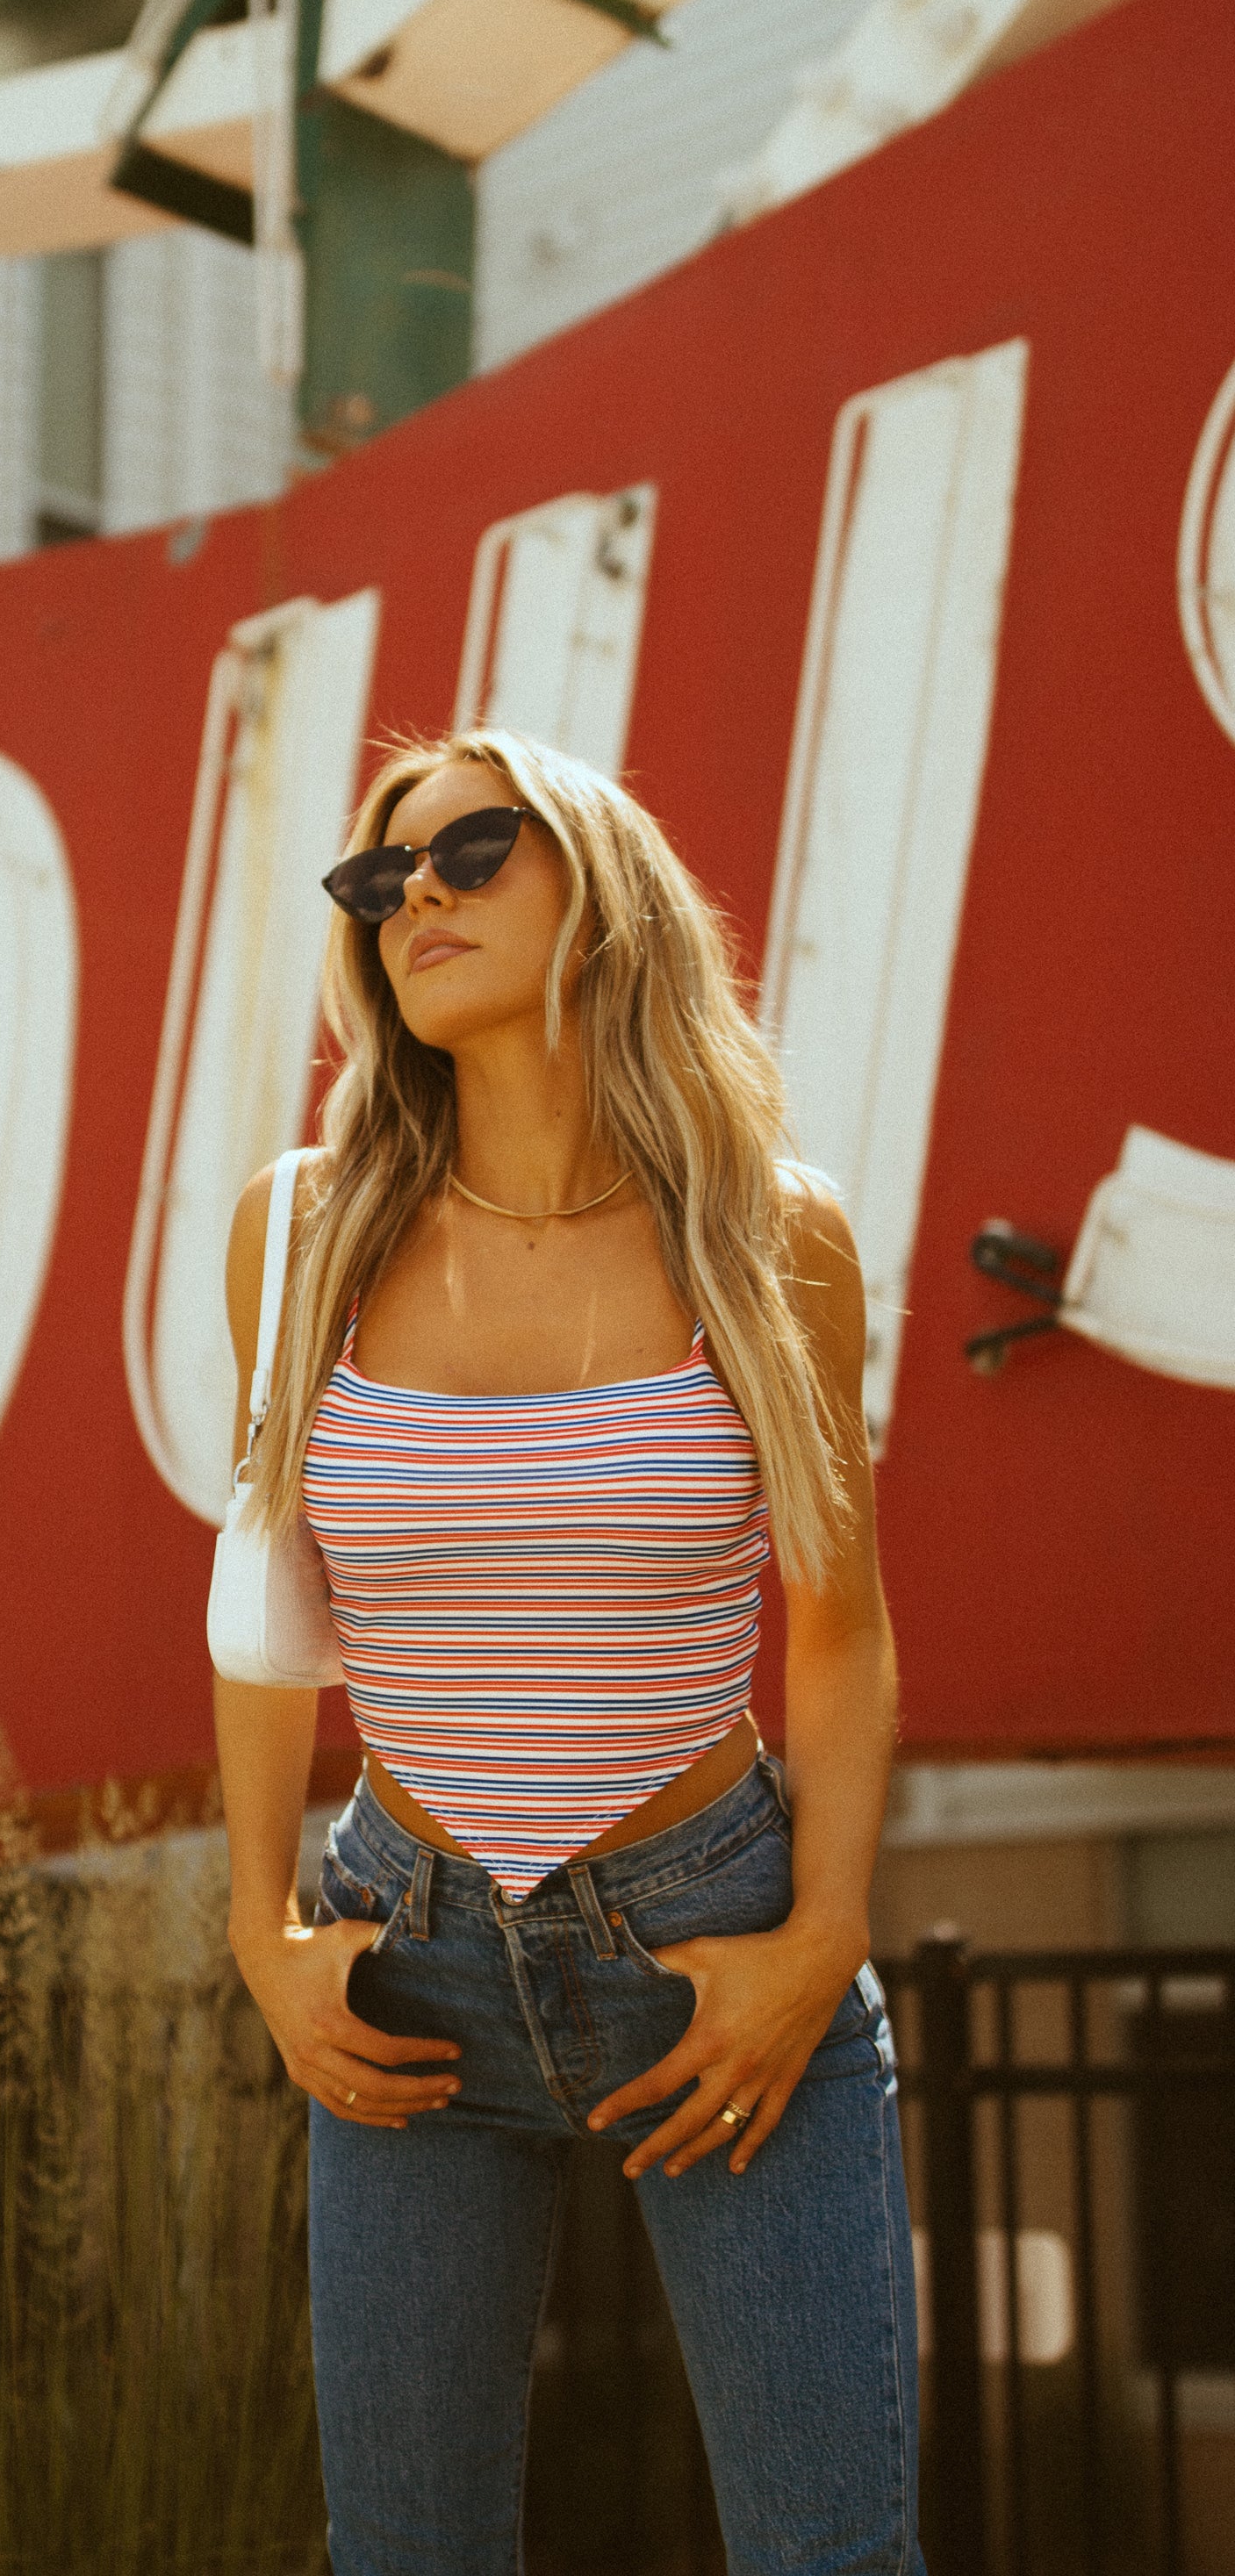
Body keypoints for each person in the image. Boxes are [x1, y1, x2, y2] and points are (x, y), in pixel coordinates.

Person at [215, 728, 920, 2576]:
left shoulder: (774, 1233)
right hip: (410, 1958)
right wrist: (262, 1935)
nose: (415, 896)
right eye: (378, 882)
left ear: (596, 884)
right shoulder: (302, 1230)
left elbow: (840, 1630)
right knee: (408, 2554)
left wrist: (823, 1934)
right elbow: (262, 1612)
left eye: (468, 849)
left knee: (831, 2554)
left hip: (716, 1940)